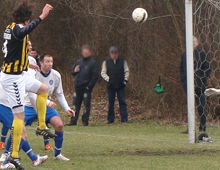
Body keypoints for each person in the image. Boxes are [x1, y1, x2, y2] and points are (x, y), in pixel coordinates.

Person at [0, 1, 56, 168]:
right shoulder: (17, 29)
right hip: (12, 78)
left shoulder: (10, 27)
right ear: (26, 18)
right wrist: (42, 16)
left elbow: (13, 52)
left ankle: (41, 126)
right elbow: (25, 31)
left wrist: (27, 64)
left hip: (19, 73)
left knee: (43, 89)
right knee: (19, 117)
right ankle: (14, 156)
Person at [24, 54, 75, 160]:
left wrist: (66, 108)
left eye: (51, 61)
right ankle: (7, 154)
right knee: (18, 128)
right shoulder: (34, 74)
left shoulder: (56, 75)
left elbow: (60, 93)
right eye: (47, 61)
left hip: (45, 107)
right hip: (30, 106)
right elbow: (32, 94)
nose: (50, 64)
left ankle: (57, 154)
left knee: (59, 125)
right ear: (41, 63)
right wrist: (47, 102)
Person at [0, 83, 48, 169]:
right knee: (20, 133)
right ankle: (6, 162)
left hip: (8, 104)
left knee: (22, 133)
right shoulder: (20, 73)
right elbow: (33, 96)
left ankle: (34, 158)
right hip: (4, 105)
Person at [179, 36, 211, 134]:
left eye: (194, 41)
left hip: (200, 86)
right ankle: (190, 129)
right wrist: (184, 81)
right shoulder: (184, 54)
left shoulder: (202, 53)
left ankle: (202, 129)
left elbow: (208, 68)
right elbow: (181, 69)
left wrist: (201, 78)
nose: (192, 43)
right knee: (189, 107)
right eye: (190, 41)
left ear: (197, 43)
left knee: (201, 107)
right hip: (188, 86)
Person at [66, 45, 98, 126]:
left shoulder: (93, 63)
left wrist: (89, 86)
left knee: (86, 106)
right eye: (84, 52)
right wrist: (75, 70)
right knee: (75, 105)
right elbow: (72, 72)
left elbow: (94, 76)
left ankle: (85, 121)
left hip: (86, 88)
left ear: (90, 53)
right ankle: (73, 121)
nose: (85, 54)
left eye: (86, 52)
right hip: (77, 87)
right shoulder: (78, 61)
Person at [101, 46, 130, 124]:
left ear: (118, 53)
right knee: (111, 102)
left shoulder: (123, 61)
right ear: (110, 53)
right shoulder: (106, 62)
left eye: (115, 53)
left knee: (122, 101)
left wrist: (125, 80)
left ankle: (124, 119)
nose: (114, 54)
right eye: (112, 53)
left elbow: (127, 71)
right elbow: (103, 73)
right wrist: (108, 79)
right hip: (111, 85)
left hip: (120, 85)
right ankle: (110, 119)